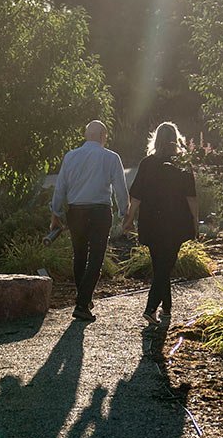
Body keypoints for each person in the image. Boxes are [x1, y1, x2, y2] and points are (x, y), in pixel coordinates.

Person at [50, 119, 130, 322]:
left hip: (76, 211)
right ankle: (82, 302)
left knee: (79, 256)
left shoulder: (70, 156)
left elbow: (61, 187)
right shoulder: (111, 158)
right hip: (100, 212)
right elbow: (120, 189)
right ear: (103, 136)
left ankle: (83, 299)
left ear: (86, 135)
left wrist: (56, 213)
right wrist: (124, 213)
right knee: (96, 257)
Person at [121, 122, 198, 324]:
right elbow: (191, 197)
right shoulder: (183, 164)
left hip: (151, 221)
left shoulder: (147, 163)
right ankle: (151, 307)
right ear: (176, 139)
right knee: (166, 265)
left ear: (156, 139)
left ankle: (167, 308)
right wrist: (195, 222)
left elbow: (136, 196)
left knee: (160, 266)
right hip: (176, 222)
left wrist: (129, 218)